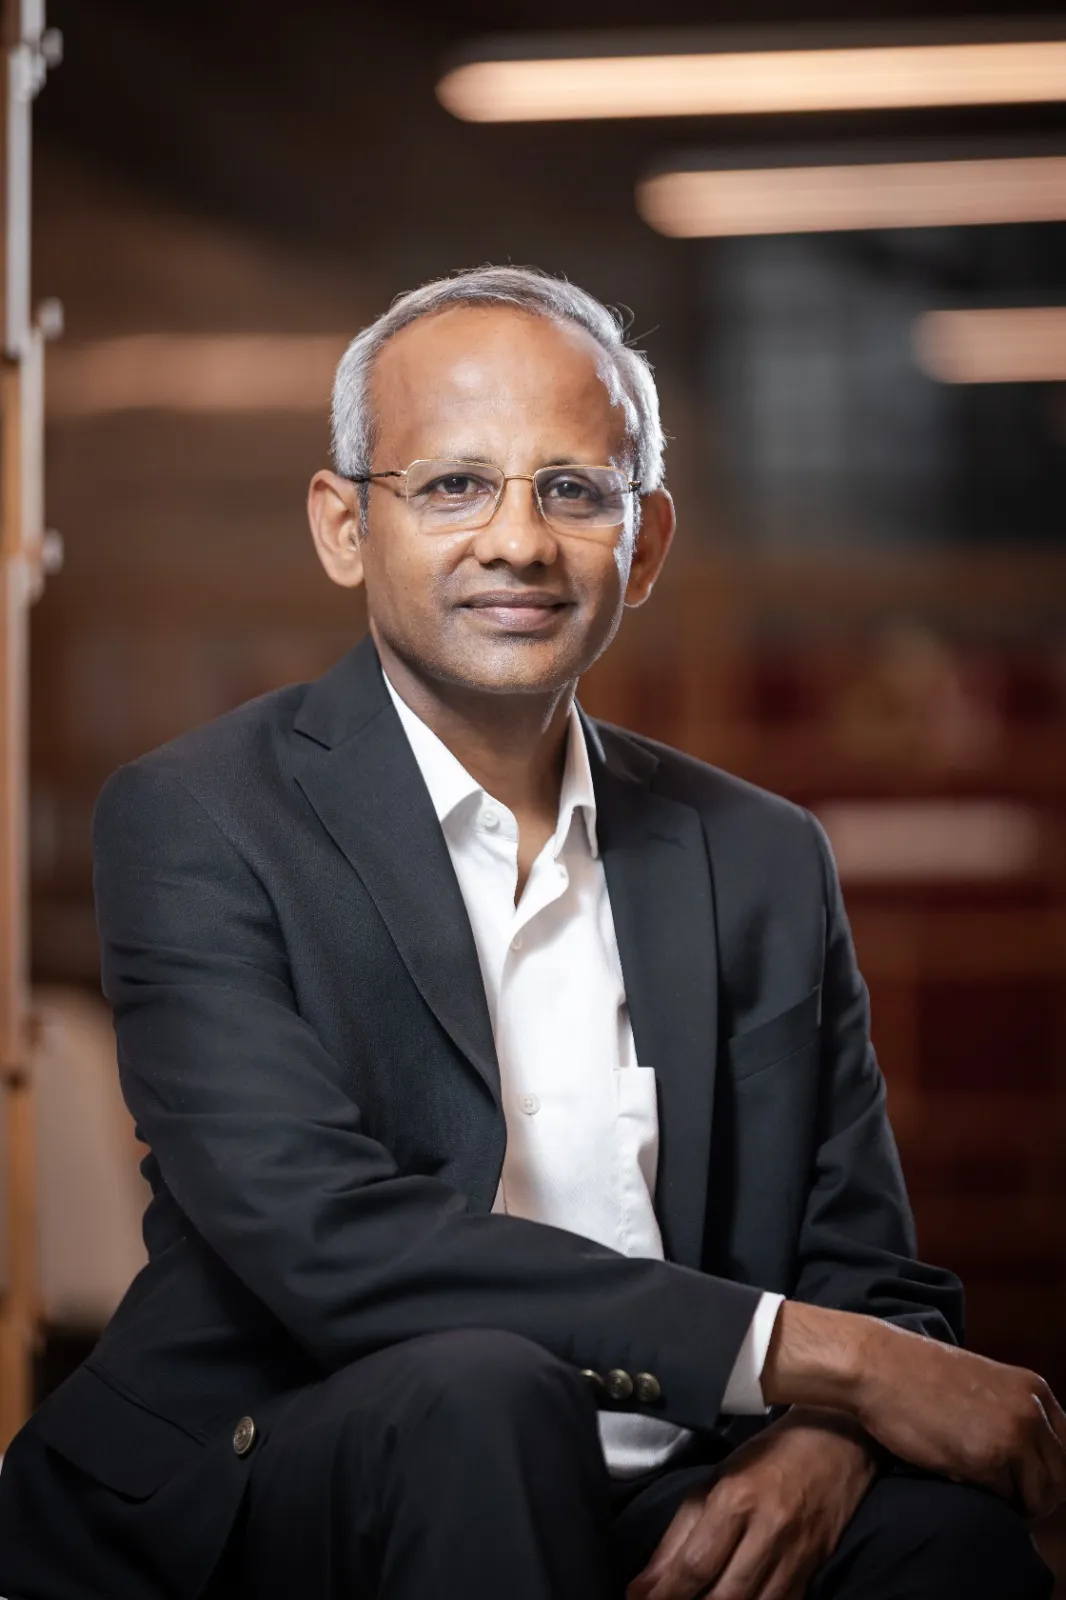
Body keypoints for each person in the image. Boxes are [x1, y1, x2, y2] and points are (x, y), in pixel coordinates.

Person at [0, 266, 1059, 1600]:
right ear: (341, 526)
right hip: (291, 1465)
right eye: (451, 486)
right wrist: (823, 1359)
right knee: (482, 1400)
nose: (517, 541)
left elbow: (872, 1277)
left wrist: (818, 1434)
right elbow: (321, 1237)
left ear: (647, 541)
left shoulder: (759, 853)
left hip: (672, 1473)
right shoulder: (197, 818)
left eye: (573, 489)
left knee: (947, 1549)